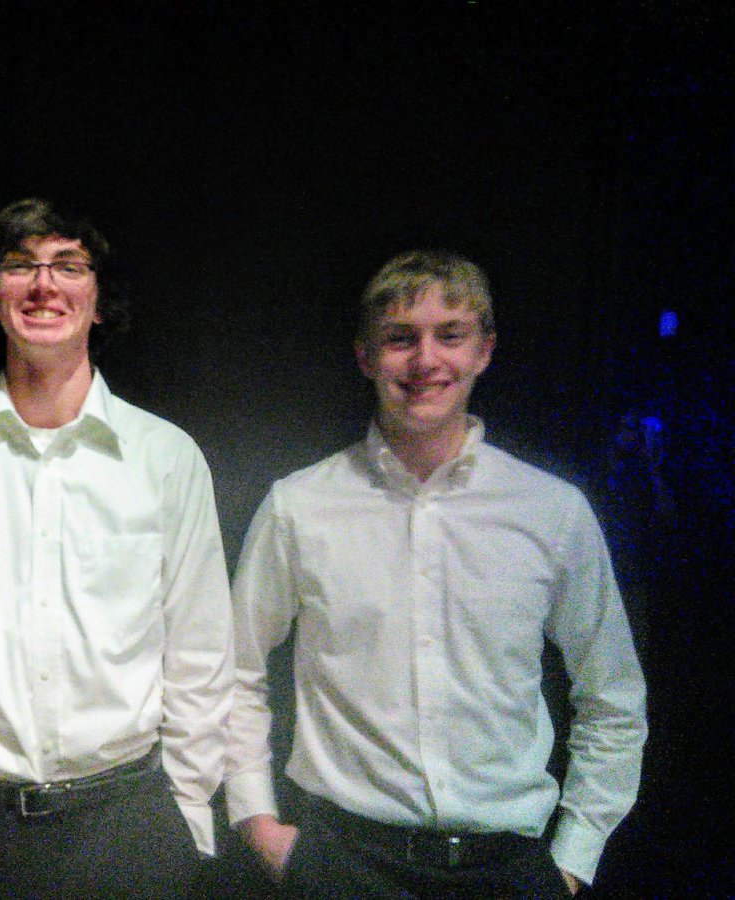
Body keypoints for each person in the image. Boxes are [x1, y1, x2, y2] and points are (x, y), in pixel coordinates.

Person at [225, 251, 647, 897]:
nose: (426, 360)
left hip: (510, 871)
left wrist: (572, 858)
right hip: (343, 865)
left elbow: (612, 697)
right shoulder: (299, 506)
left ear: (484, 351)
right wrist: (259, 824)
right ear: (366, 357)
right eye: (401, 338)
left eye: (450, 335)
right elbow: (235, 673)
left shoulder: (553, 512)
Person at [0, 198, 233, 897]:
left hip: (128, 824)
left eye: (69, 265)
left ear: (99, 301)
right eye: (20, 266)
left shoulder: (165, 459)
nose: (45, 284)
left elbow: (200, 655)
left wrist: (184, 815)